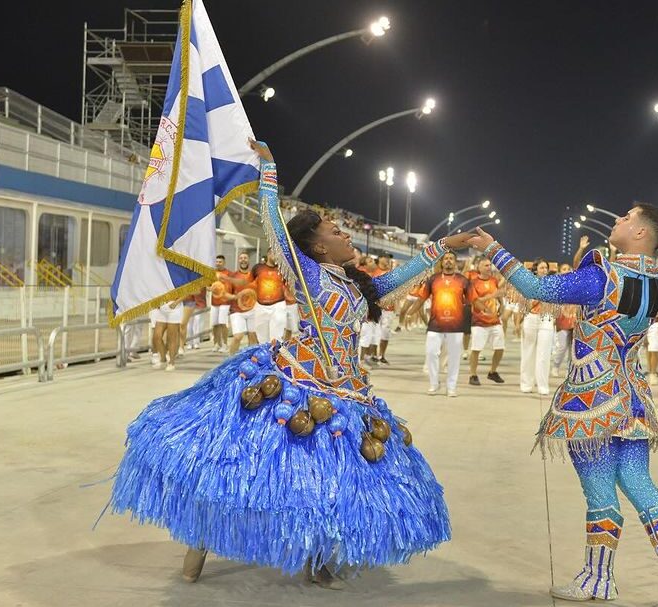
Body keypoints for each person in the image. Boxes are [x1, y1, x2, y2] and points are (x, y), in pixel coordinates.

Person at [112, 141, 475, 586]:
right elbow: (278, 233)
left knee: (331, 481)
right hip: (293, 383)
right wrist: (269, 170)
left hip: (344, 393)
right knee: (231, 470)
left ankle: (318, 558)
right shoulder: (311, 276)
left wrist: (443, 245)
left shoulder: (356, 285)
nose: (344, 234)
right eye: (334, 231)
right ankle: (199, 545)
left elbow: (404, 275)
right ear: (317, 248)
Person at [468, 203, 658, 607]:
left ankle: (597, 580)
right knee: (638, 482)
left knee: (600, 491)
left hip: (592, 400)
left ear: (640, 233)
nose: (617, 221)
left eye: (625, 217)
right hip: (633, 399)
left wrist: (494, 248)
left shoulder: (604, 275)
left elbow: (537, 289)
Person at [413, 252, 471, 397]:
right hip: (435, 325)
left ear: (456, 262)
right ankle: (434, 384)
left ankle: (451, 386)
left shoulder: (463, 280)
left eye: (451, 258)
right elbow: (421, 298)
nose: (448, 261)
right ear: (441, 262)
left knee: (454, 357)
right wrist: (411, 311)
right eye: (446, 259)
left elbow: (471, 301)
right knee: (431, 353)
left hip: (456, 326)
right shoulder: (433, 279)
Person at [467, 257, 506, 385]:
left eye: (490, 265)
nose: (489, 268)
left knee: (500, 348)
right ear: (479, 268)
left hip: (494, 320)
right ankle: (473, 374)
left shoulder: (494, 280)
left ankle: (492, 372)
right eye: (486, 266)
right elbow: (475, 301)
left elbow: (497, 294)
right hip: (479, 321)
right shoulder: (473, 282)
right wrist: (491, 297)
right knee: (476, 349)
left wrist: (501, 305)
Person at [518, 259, 555, 395]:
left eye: (546, 267)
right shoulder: (529, 284)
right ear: (536, 269)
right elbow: (525, 304)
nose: (544, 270)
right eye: (541, 268)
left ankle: (542, 385)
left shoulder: (552, 283)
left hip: (546, 318)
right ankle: (526, 383)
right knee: (528, 352)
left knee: (544, 354)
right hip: (531, 318)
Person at [251, 248, 289, 344]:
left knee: (276, 337)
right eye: (274, 253)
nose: (276, 256)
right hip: (260, 306)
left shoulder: (282, 269)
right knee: (262, 338)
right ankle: (265, 357)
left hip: (278, 305)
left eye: (278, 254)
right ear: (268, 254)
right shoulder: (258, 268)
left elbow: (288, 285)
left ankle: (276, 357)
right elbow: (248, 283)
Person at [227, 252, 257, 354]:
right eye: (241, 258)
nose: (243, 260)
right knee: (238, 336)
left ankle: (252, 361)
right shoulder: (233, 276)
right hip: (237, 311)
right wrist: (236, 297)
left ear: (248, 260)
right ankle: (230, 360)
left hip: (253, 310)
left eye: (245, 258)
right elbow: (226, 294)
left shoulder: (254, 276)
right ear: (238, 260)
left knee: (253, 336)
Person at [149, 298, 183, 370]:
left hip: (175, 308)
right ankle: (163, 358)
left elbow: (187, 291)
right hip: (162, 307)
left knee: (171, 337)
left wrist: (176, 302)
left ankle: (171, 362)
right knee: (156, 337)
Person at [375, 254, 396, 364]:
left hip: (389, 309)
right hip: (376, 308)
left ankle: (381, 355)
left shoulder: (392, 273)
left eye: (388, 258)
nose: (386, 259)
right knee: (374, 333)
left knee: (385, 333)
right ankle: (372, 355)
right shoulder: (374, 272)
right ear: (379, 259)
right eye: (384, 257)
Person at [210, 254, 234, 353]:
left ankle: (225, 344)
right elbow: (207, 286)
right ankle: (216, 343)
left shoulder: (229, 274)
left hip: (225, 302)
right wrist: (211, 288)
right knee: (215, 324)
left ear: (224, 262)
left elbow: (233, 288)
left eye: (220, 262)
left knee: (223, 323)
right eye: (217, 262)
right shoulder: (211, 274)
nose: (218, 263)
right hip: (214, 303)